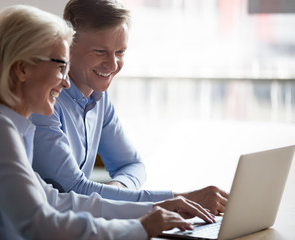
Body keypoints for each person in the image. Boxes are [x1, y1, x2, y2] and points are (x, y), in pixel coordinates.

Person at [0, 4, 216, 239]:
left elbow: (57, 200)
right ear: (22, 68)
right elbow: (40, 224)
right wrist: (140, 227)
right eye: (60, 66)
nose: (66, 80)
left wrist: (153, 208)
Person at [30, 0, 228, 215]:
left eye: (120, 52)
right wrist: (179, 199)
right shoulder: (43, 102)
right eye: (100, 51)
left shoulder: (99, 98)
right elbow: (74, 189)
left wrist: (116, 192)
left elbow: (132, 164)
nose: (113, 65)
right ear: (68, 45)